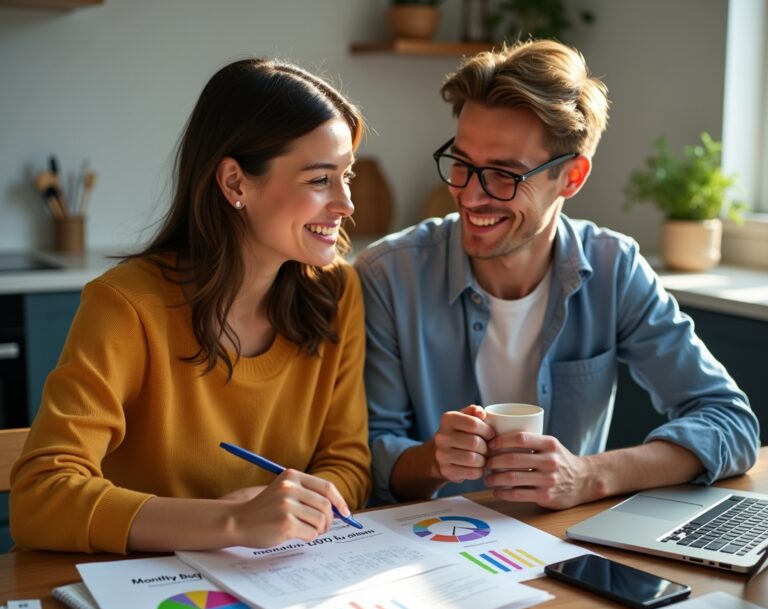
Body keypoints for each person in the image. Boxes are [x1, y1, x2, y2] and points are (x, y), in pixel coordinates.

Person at [355, 39, 759, 509]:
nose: (469, 195)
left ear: (571, 177)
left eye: (504, 174)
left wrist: (589, 475)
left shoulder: (613, 268)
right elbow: (370, 459)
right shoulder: (388, 275)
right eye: (462, 164)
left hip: (563, 548)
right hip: (430, 549)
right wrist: (432, 460)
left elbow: (729, 421)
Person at [11, 58, 371, 553]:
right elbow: (40, 497)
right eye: (319, 180)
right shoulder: (125, 305)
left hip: (278, 581)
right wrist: (231, 523)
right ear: (235, 184)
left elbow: (346, 463)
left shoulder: (337, 294)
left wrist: (297, 509)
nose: (347, 203)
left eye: (346, 175)